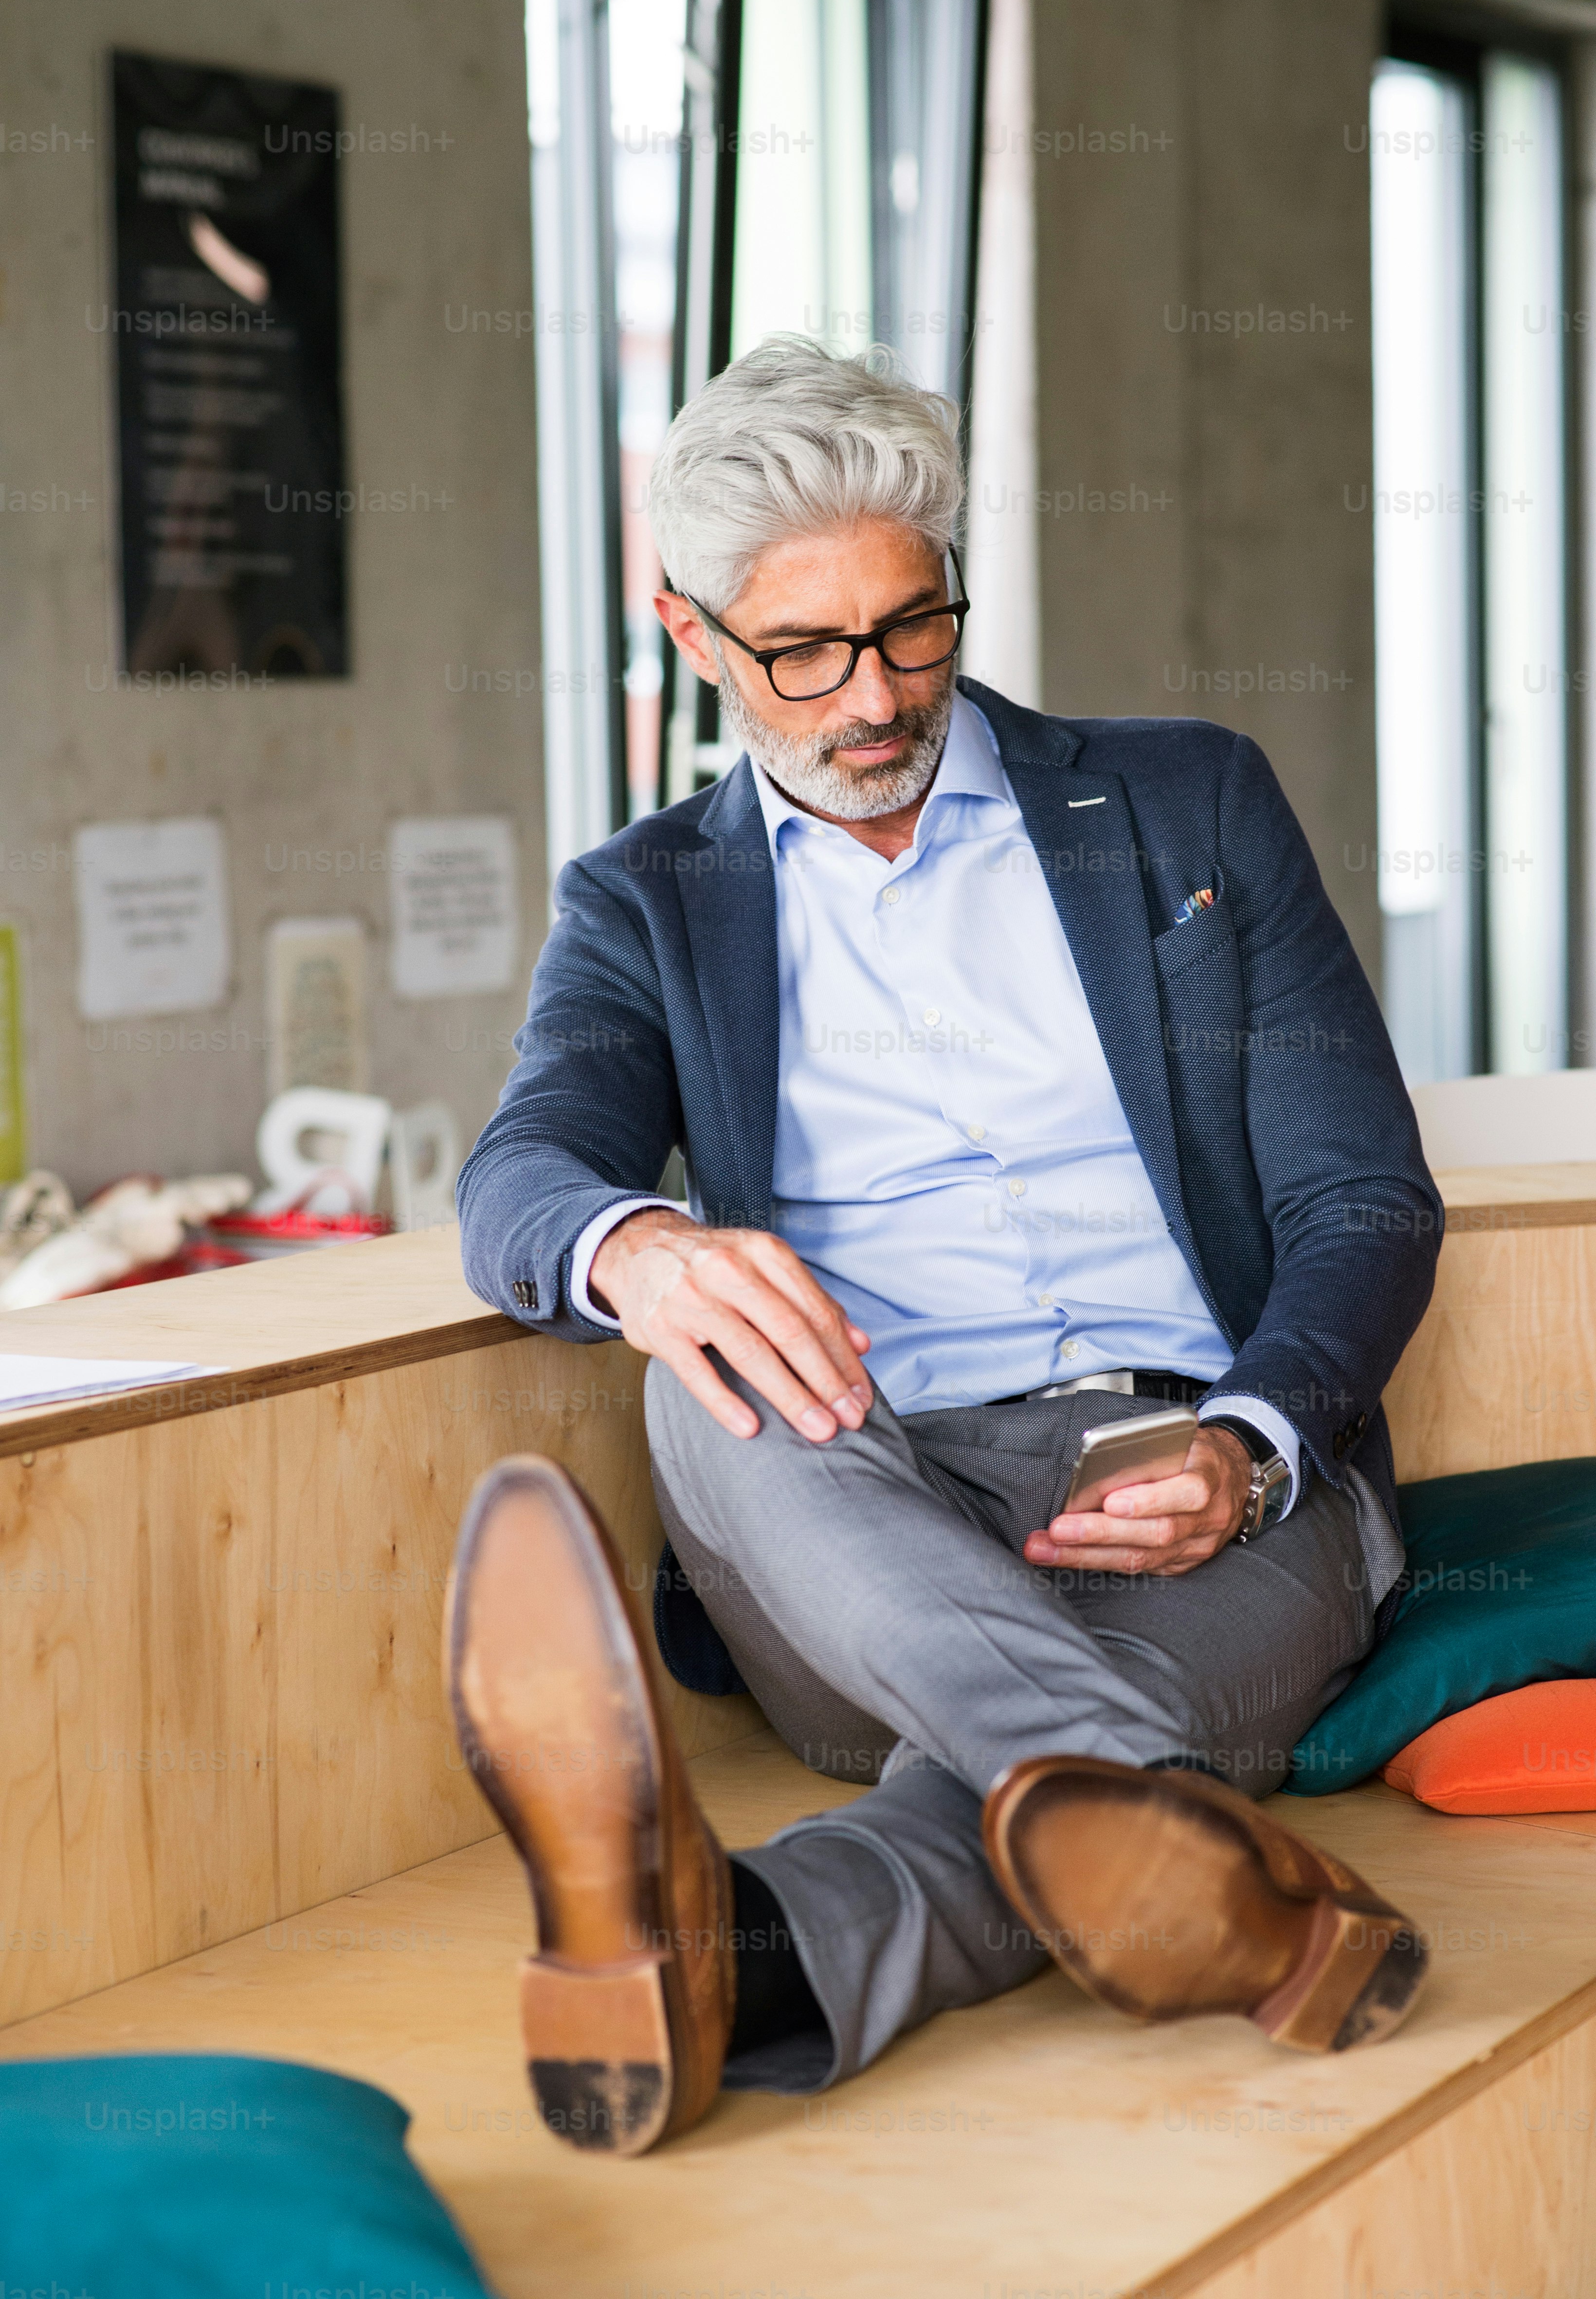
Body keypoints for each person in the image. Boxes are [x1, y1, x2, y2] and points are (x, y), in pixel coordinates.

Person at [451, 336, 1443, 2157]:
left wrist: (1254, 1441)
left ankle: (721, 1953)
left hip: (1204, 1493)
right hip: (861, 1516)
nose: (875, 699)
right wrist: (642, 1249)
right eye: (803, 654)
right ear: (691, 637)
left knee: (1017, 1797)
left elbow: (1362, 1199)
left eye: (915, 630)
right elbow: (524, 1173)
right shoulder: (647, 901)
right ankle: (1187, 1835)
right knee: (706, 1381)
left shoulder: (1186, 806)